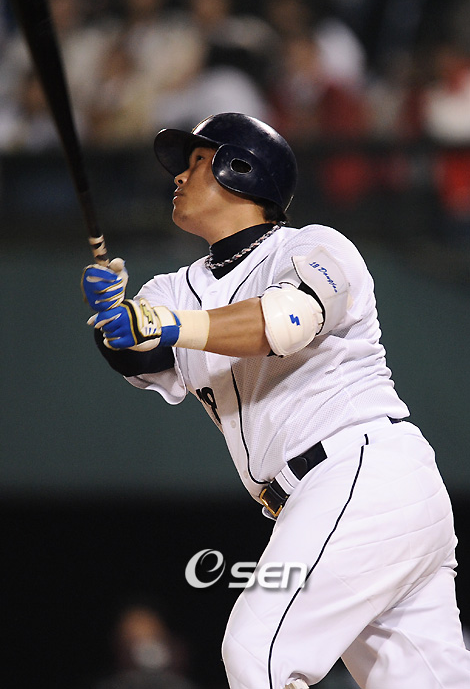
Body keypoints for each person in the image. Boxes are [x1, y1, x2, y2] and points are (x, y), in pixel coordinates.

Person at [81, 112, 470, 688]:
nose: (178, 177)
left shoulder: (315, 246)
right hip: (335, 501)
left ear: (242, 170)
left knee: (257, 652)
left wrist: (160, 323)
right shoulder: (174, 288)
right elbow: (138, 354)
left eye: (197, 162)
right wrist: (112, 321)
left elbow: (286, 321)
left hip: (362, 471)